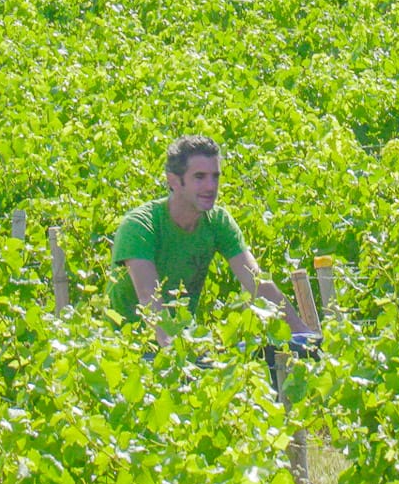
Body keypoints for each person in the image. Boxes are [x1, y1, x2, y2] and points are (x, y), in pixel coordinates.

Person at [108, 134, 313, 348]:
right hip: (125, 348)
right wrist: (175, 355)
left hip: (182, 343)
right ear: (173, 180)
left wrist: (304, 337)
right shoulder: (140, 225)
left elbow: (257, 283)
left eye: (215, 176)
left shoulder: (218, 222)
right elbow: (150, 298)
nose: (210, 186)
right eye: (199, 177)